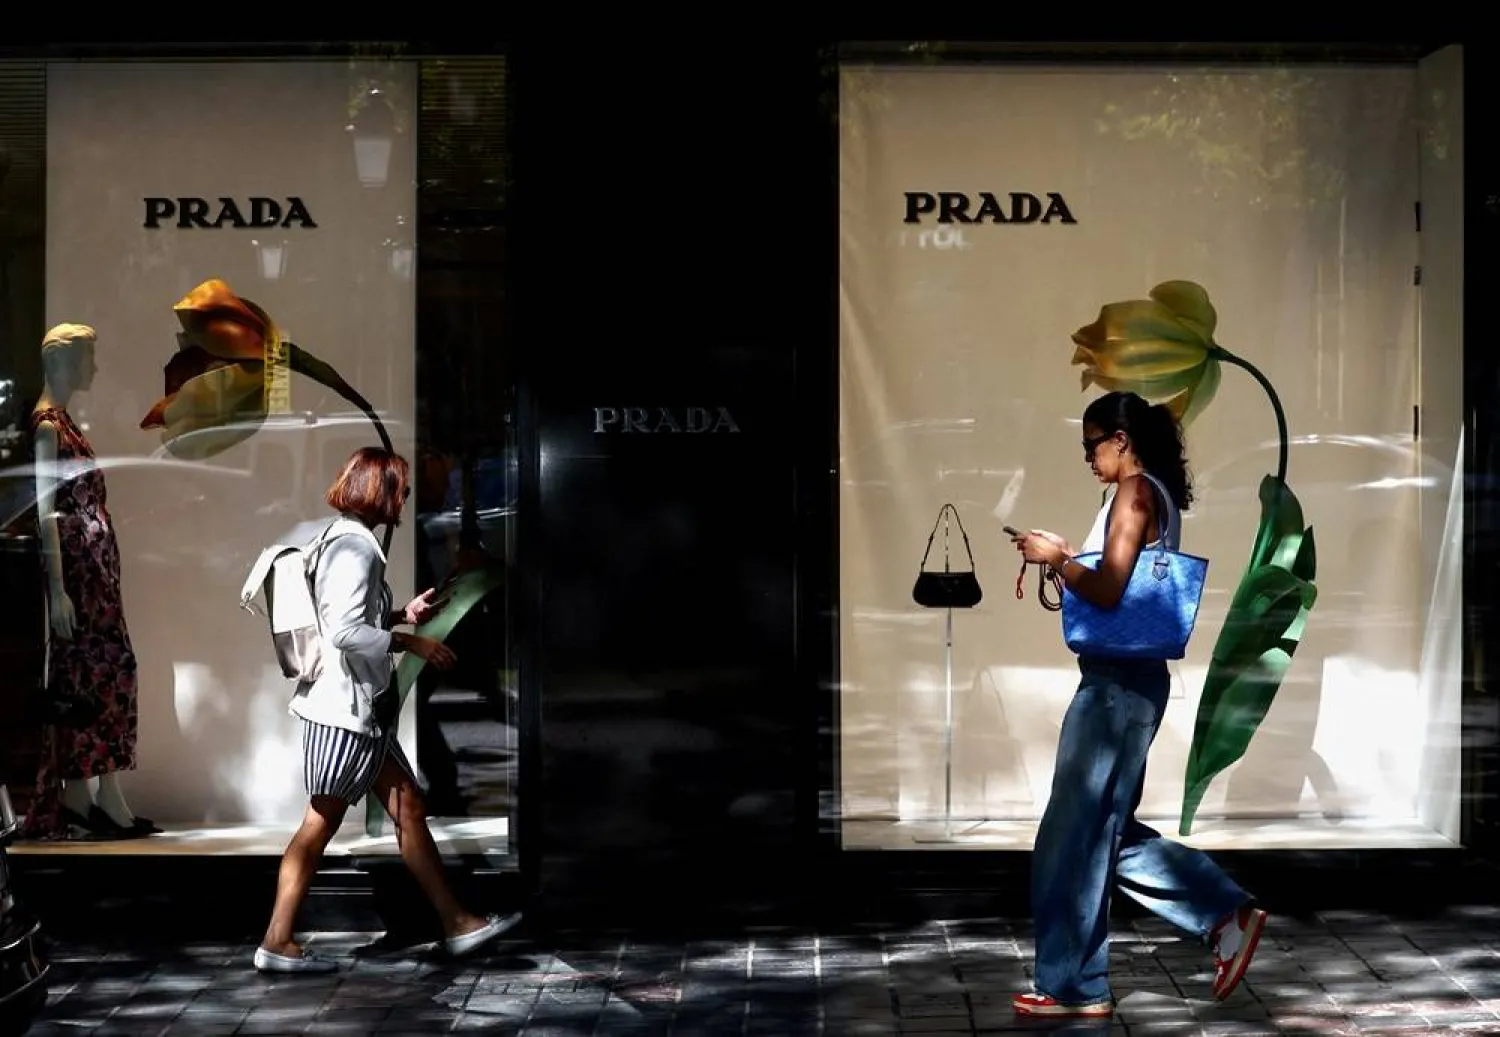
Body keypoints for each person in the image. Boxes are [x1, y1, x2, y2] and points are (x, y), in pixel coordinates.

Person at [1008, 391, 1265, 1019]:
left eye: (1092, 443)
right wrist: (1072, 558)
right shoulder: (1151, 494)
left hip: (1115, 686)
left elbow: (1110, 585)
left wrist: (1059, 559)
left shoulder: (1133, 493)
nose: (1088, 457)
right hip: (1129, 681)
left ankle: (1080, 984)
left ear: (1121, 439)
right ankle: (1094, 976)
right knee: (1094, 830)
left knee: (1072, 834)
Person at [255, 446, 519, 974]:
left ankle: (459, 924)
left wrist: (402, 612)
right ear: (381, 491)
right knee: (318, 826)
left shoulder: (341, 538)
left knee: (408, 808)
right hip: (344, 714)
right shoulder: (355, 548)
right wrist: (412, 641)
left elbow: (352, 618)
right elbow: (346, 633)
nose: (407, 497)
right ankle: (276, 941)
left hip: (357, 712)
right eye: (401, 487)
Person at [26, 323, 155, 841]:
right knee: (95, 678)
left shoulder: (65, 423)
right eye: (88, 357)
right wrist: (56, 590)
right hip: (78, 579)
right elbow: (44, 511)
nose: (95, 367)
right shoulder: (46, 428)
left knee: (108, 676)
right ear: (64, 361)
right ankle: (88, 797)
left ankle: (100, 795)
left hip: (95, 578)